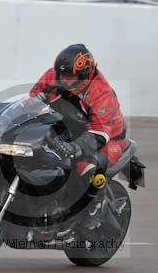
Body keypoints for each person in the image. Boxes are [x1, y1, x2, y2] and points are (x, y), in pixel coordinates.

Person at [29, 44, 140, 227]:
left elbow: (99, 133)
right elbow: (32, 102)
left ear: (84, 75)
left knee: (85, 166)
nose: (63, 80)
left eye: (69, 77)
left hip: (108, 137)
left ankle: (95, 207)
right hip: (69, 128)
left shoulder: (100, 91)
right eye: (61, 74)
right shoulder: (53, 75)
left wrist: (75, 147)